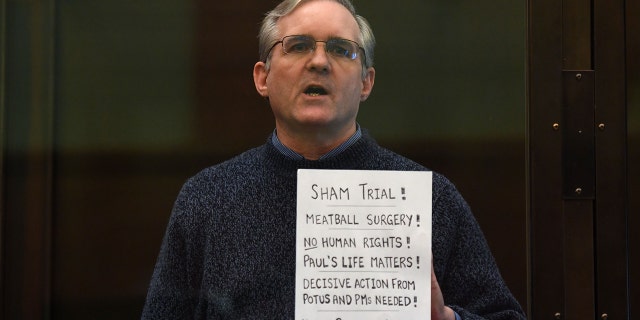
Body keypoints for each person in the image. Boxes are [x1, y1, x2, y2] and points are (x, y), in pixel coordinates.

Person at [141, 0, 526, 319]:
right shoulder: (207, 199)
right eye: (299, 45)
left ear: (366, 82)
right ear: (263, 77)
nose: (320, 62)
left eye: (341, 49)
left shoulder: (432, 198)